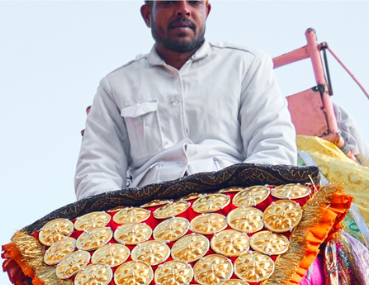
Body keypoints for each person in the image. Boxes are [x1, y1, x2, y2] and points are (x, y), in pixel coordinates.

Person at [75, 0, 296, 197]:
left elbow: (274, 144)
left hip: (236, 206)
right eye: (169, 2)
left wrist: (244, 204)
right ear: (146, 14)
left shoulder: (246, 65)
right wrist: (121, 226)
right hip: (147, 222)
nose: (183, 10)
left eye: (194, 2)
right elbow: (97, 171)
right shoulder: (115, 86)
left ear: (207, 11)